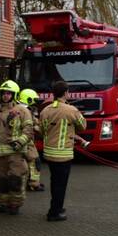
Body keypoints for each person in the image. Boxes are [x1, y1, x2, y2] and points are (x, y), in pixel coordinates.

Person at [39, 80, 88, 222]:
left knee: (55, 182)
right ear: (66, 93)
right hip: (63, 154)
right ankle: (55, 212)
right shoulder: (71, 110)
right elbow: (83, 126)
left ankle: (56, 207)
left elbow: (42, 130)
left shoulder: (46, 110)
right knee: (60, 185)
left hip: (49, 153)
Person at [0, 80, 33, 215]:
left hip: (15, 153)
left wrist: (19, 142)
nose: (6, 96)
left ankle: (15, 205)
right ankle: (3, 204)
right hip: (0, 153)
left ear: (14, 94)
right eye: (4, 93)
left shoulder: (22, 111)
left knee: (15, 180)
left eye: (9, 93)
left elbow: (28, 130)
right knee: (2, 181)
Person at [18, 88, 44, 192]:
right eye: (34, 100)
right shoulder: (25, 111)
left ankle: (30, 182)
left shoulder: (20, 109)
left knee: (26, 163)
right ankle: (34, 184)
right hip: (26, 140)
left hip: (22, 140)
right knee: (34, 161)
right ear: (28, 99)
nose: (35, 103)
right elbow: (32, 124)